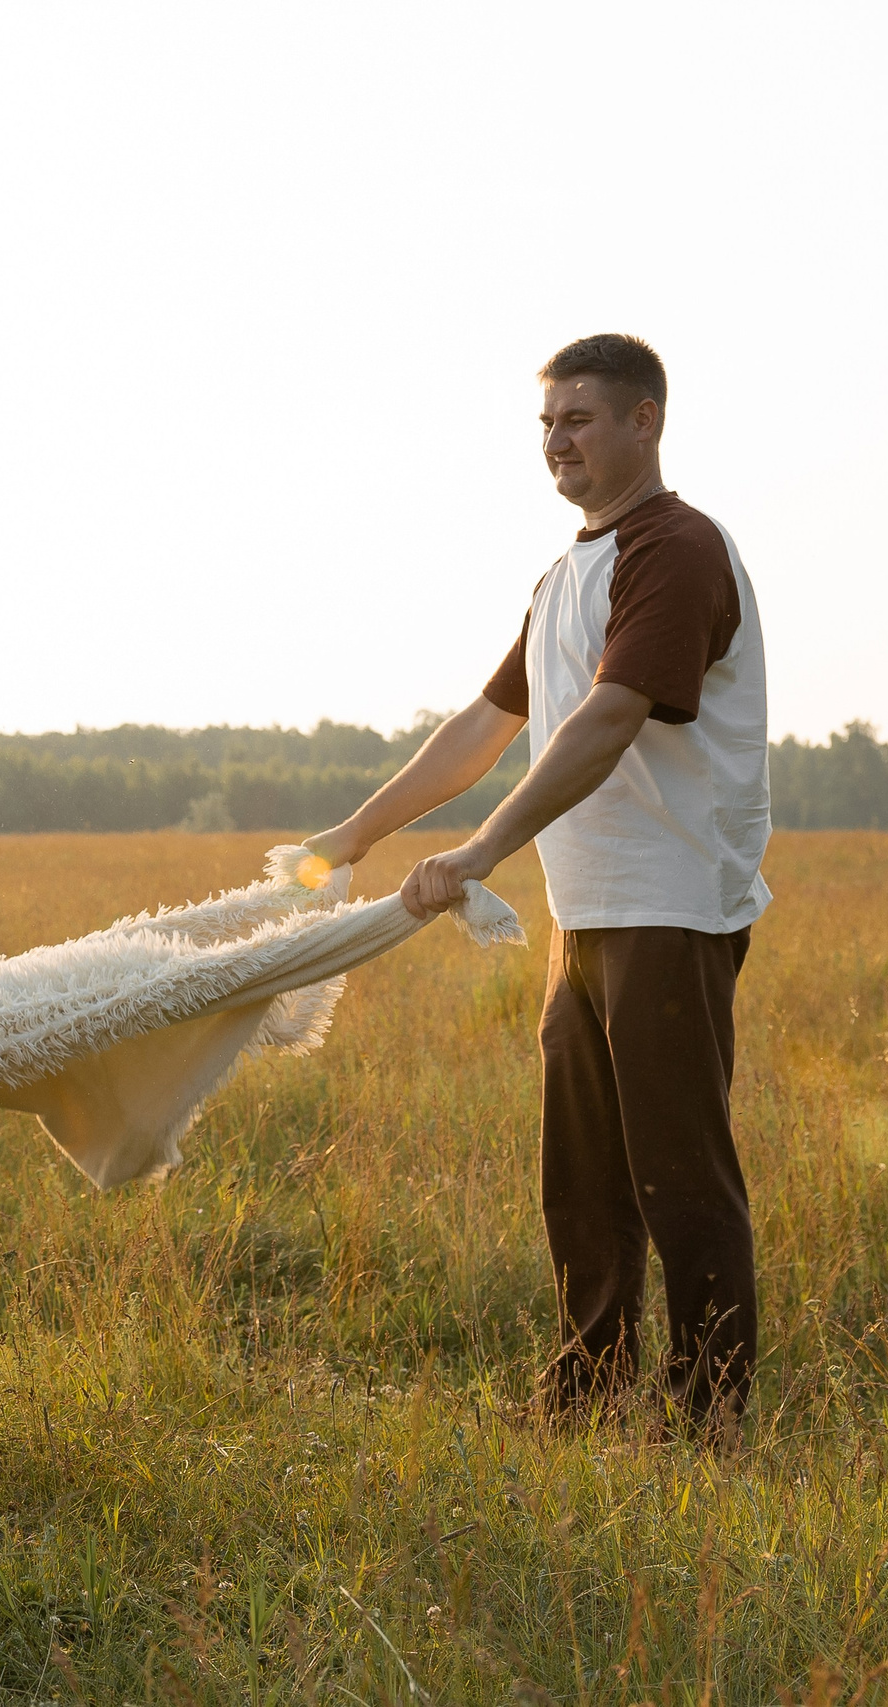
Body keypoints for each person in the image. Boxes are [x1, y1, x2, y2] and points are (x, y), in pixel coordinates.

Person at [306, 333, 770, 1430]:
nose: (557, 441)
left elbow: (611, 718)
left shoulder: (678, 548)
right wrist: (356, 831)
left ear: (643, 422)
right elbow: (486, 723)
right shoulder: (569, 573)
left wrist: (478, 851)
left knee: (678, 1174)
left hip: (670, 905)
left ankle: (708, 1418)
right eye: (547, 424)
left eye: (580, 419)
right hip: (589, 914)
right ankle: (585, 1394)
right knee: (582, 1178)